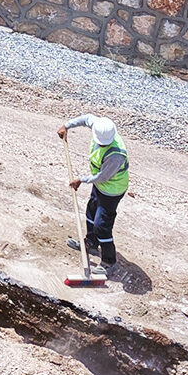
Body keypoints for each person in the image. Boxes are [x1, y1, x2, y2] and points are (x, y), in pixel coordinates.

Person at [56, 114, 130, 270]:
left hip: (112, 191)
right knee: (91, 212)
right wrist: (66, 126)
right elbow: (86, 118)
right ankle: (91, 243)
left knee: (102, 225)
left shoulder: (116, 155)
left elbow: (103, 177)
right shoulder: (100, 126)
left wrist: (81, 180)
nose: (101, 145)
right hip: (100, 186)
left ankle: (109, 262)